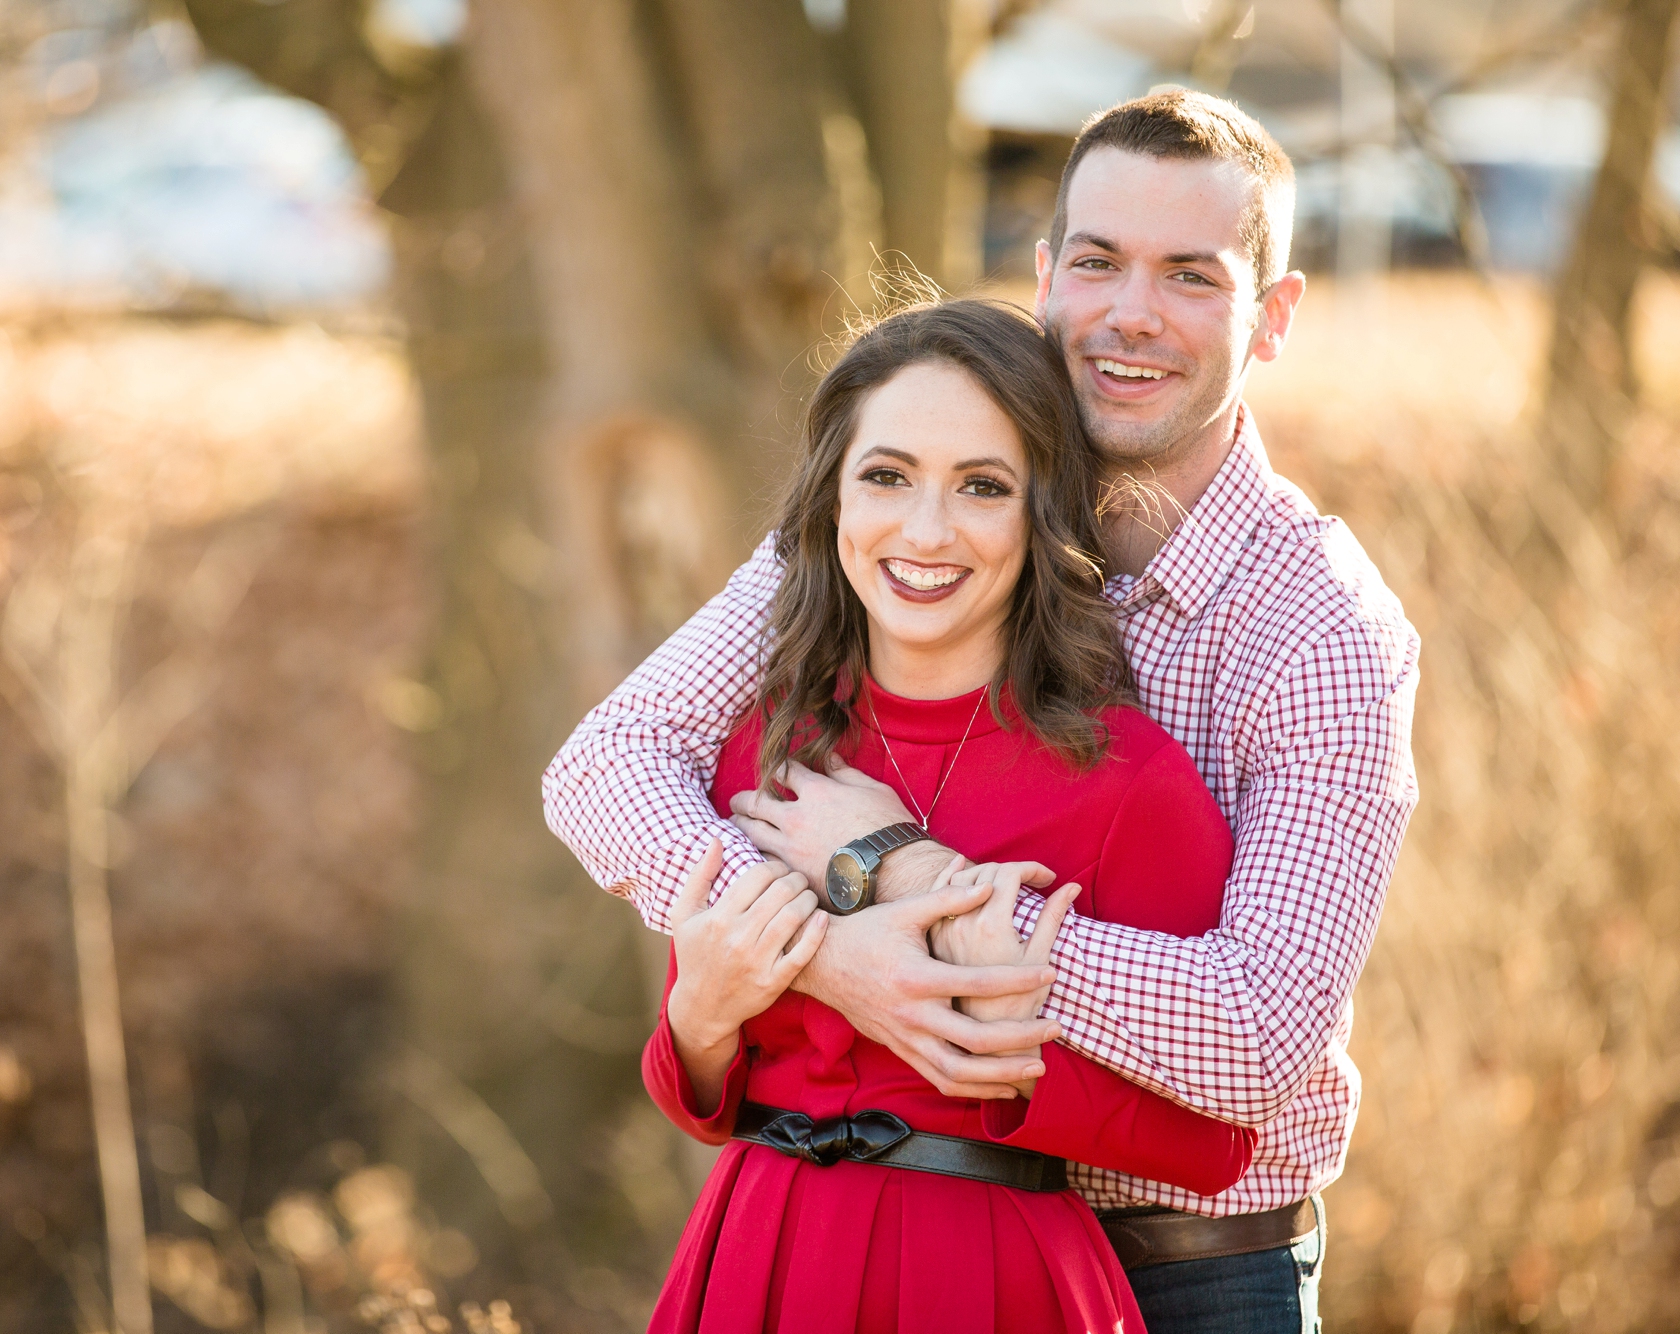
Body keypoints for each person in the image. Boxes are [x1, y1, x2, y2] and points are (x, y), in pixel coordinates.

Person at [544, 90, 1421, 1333]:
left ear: (1270, 316)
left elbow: (1258, 1035)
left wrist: (910, 883)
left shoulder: (1317, 629)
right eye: (1098, 261)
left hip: (1190, 1268)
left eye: (1189, 277)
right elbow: (607, 763)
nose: (1129, 313)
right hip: (891, 1219)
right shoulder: (936, 507)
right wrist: (830, 954)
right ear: (1044, 272)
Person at [641, 297, 1253, 1333]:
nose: (924, 530)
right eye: (885, 475)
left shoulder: (1125, 779)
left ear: (1041, 513)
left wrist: (1002, 1061)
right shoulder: (765, 745)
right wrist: (698, 1016)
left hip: (986, 1275)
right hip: (758, 1250)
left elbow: (1212, 1139)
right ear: (832, 497)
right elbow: (705, 1084)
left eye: (980, 485)